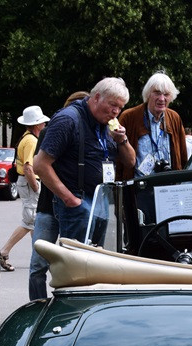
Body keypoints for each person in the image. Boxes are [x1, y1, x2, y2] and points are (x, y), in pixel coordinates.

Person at [33, 77, 135, 244]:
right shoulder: (68, 120)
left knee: (94, 256)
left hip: (100, 200)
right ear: (96, 97)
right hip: (78, 202)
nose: (116, 111)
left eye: (120, 107)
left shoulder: (106, 124)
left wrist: (122, 139)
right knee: (75, 257)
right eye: (112, 105)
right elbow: (39, 165)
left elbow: (130, 162)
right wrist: (70, 199)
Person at [29, 91, 89, 301]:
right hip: (48, 206)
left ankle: (64, 305)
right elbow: (39, 166)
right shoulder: (51, 131)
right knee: (38, 264)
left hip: (71, 206)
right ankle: (37, 305)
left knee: (71, 264)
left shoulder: (88, 134)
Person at [0, 105, 50, 272]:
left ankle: (39, 256)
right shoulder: (31, 141)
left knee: (33, 221)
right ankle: (4, 252)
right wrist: (36, 186)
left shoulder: (26, 138)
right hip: (29, 182)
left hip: (26, 182)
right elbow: (28, 167)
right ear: (36, 124)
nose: (44, 125)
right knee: (29, 221)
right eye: (42, 122)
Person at [117, 72, 189, 180]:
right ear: (148, 94)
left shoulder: (174, 118)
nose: (162, 99)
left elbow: (183, 157)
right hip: (139, 186)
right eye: (157, 93)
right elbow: (118, 160)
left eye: (166, 94)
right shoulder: (129, 117)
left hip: (169, 184)